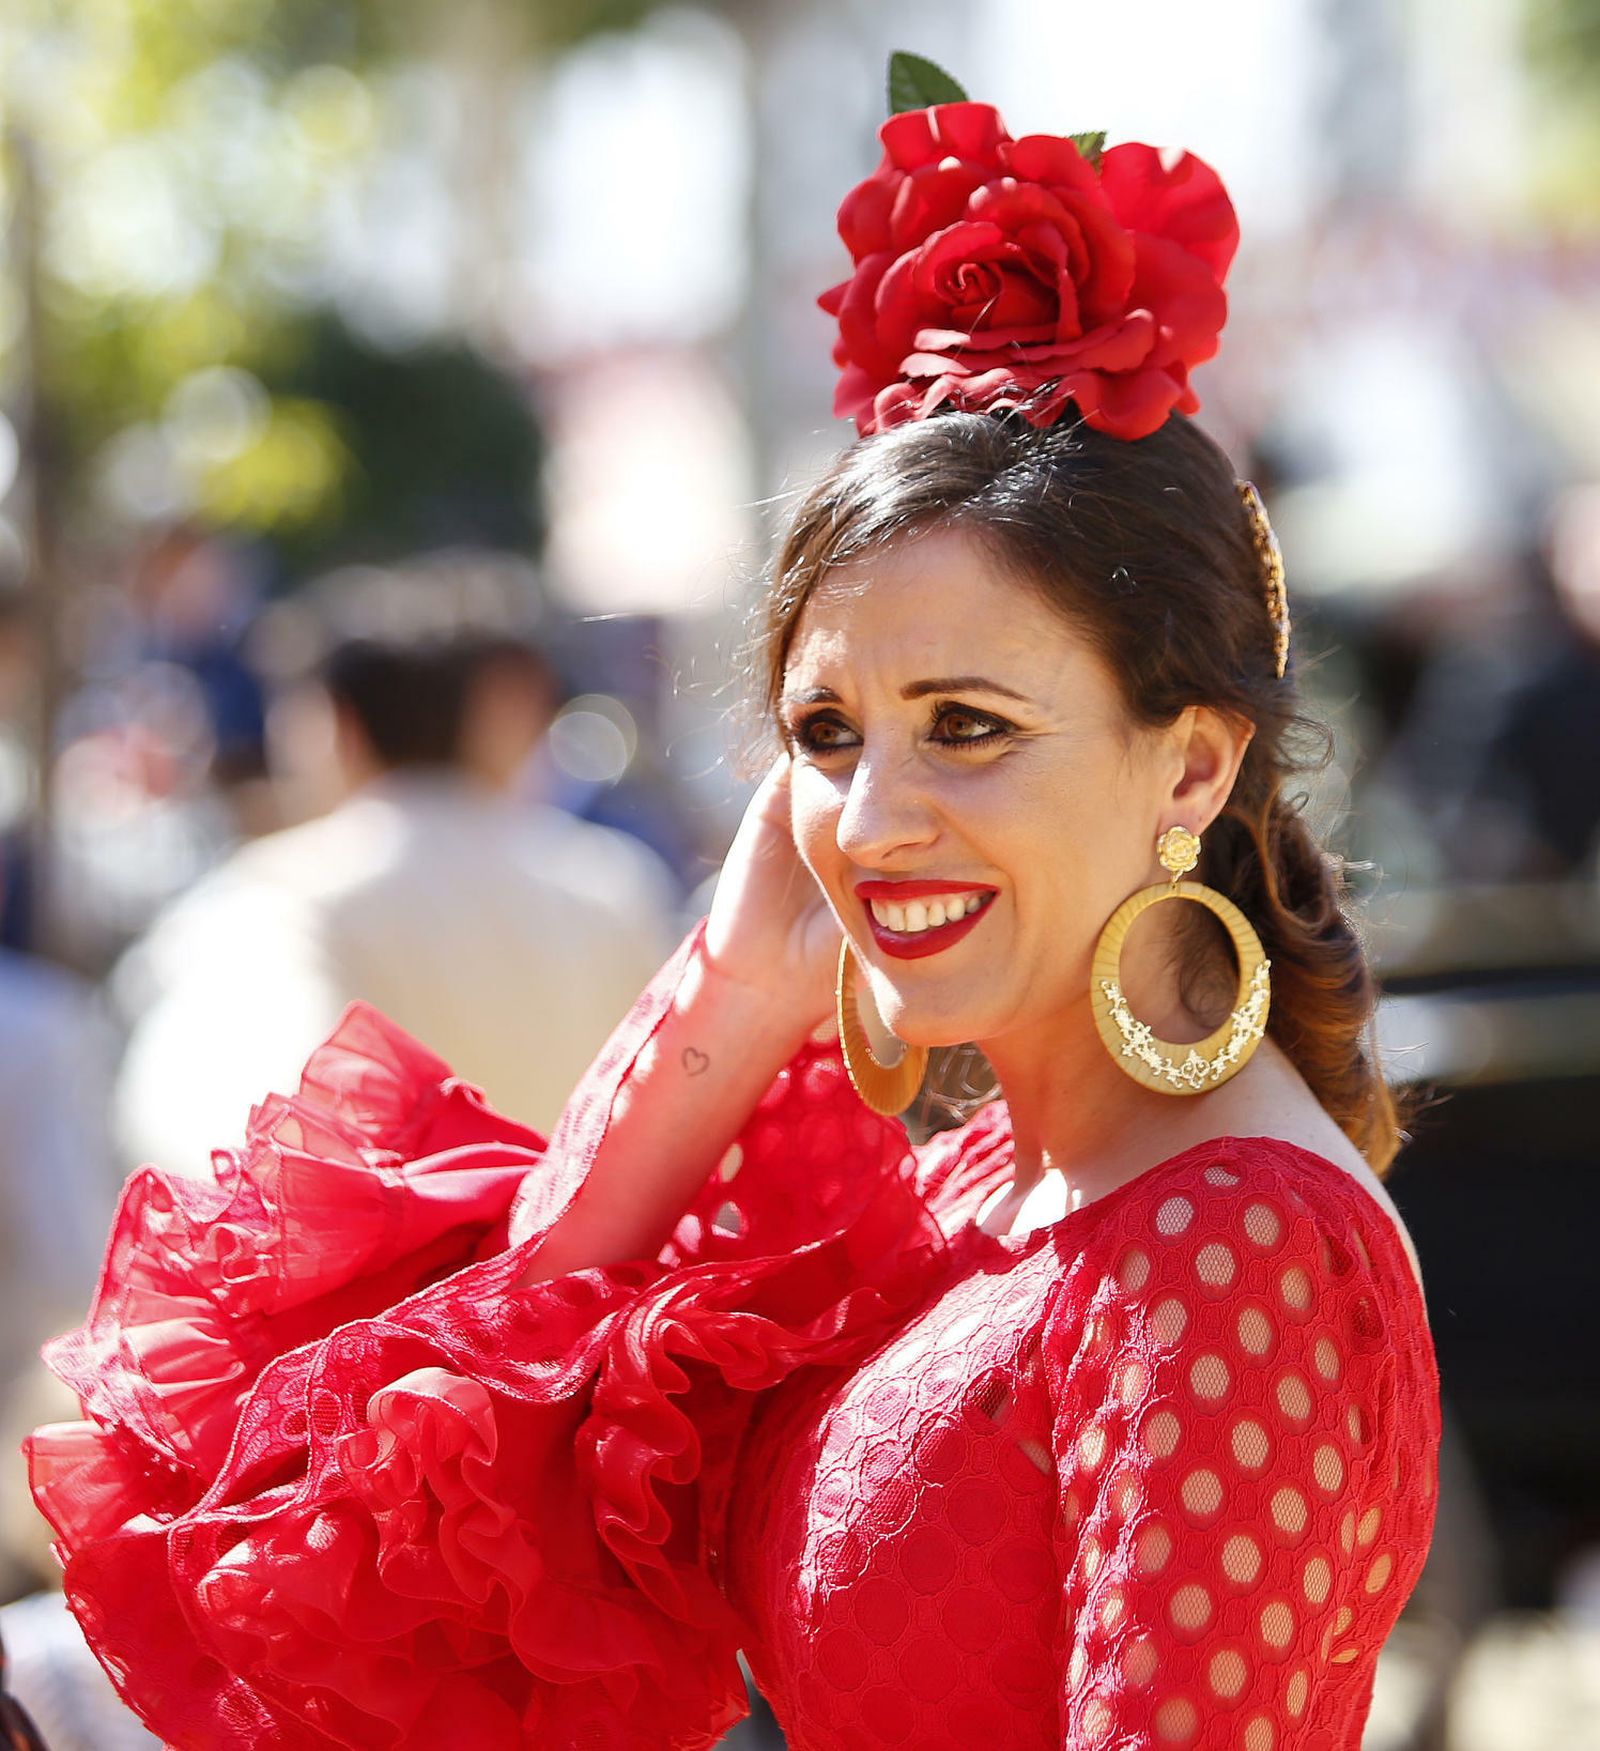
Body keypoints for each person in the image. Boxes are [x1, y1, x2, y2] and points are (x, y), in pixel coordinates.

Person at [22, 70, 1439, 1751]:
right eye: (830, 734)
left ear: (1191, 766)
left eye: (969, 726)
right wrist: (735, 985)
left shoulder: (1228, 1242)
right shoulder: (986, 1172)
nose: (878, 815)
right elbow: (417, 1451)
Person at [108, 565, 681, 1174]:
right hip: (599, 1264)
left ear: (336, 722)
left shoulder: (284, 895)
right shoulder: (613, 885)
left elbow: (214, 1138)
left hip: (401, 1265)